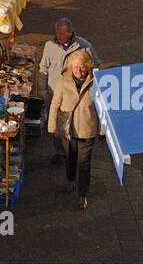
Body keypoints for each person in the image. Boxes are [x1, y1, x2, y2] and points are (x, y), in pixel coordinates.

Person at [37, 18, 100, 164]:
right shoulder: (49, 46)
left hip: (75, 96)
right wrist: (42, 89)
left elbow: (96, 66)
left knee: (75, 124)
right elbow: (44, 68)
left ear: (71, 32)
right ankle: (60, 152)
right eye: (57, 33)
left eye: (62, 33)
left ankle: (74, 153)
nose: (59, 36)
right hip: (54, 93)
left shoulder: (84, 46)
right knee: (57, 124)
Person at [47, 48, 101, 209]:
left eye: (82, 67)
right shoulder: (64, 80)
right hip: (68, 128)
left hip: (87, 129)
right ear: (71, 66)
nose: (79, 71)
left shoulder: (95, 81)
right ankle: (70, 179)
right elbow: (55, 103)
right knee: (70, 157)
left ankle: (82, 195)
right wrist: (52, 126)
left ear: (88, 66)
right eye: (76, 67)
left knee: (84, 163)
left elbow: (102, 107)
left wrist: (102, 131)